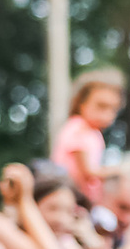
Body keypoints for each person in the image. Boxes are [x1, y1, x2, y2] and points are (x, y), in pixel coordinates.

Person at [52, 69, 125, 202]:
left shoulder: (93, 133)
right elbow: (88, 172)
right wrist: (119, 171)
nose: (107, 114)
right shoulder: (79, 128)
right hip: (69, 199)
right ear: (82, 103)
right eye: (101, 106)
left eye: (113, 109)